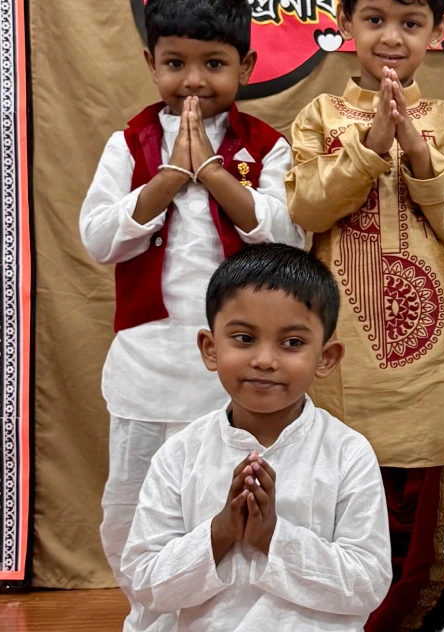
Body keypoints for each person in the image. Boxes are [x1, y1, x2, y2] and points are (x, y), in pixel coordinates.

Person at [79, 0, 302, 632]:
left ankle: (220, 618)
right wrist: (169, 175)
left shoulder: (264, 147)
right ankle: (148, 614)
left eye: (214, 64)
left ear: (246, 65)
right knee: (132, 508)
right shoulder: (130, 144)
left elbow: (285, 233)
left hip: (233, 382)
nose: (194, 81)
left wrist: (208, 170)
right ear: (150, 62)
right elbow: (98, 238)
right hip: (146, 371)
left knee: (225, 500)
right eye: (175, 64)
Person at [284, 0, 444, 629]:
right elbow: (308, 208)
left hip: (430, 362)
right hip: (345, 355)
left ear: (437, 31)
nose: (391, 37)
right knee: (345, 492)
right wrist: (369, 146)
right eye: (373, 19)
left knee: (427, 503)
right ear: (345, 23)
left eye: (410, 22)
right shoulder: (318, 118)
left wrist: (420, 151)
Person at [120, 244, 391, 631]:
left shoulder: (347, 453)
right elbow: (144, 581)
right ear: (210, 349)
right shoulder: (180, 454)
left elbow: (368, 583)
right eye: (244, 338)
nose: (265, 359)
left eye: (292, 343)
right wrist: (219, 533)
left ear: (326, 357)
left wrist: (273, 538)